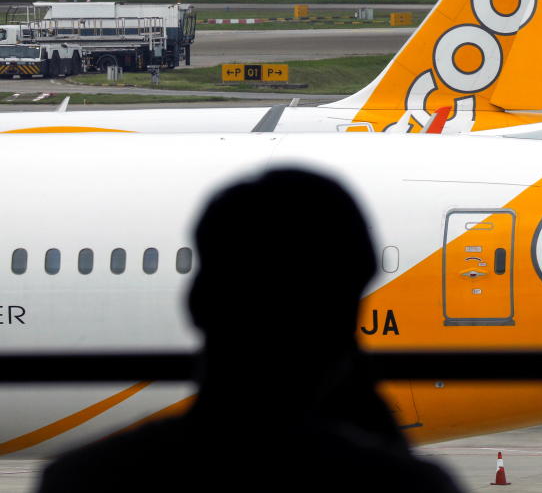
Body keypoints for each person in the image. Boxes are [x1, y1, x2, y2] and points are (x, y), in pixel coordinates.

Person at [40, 169, 462, 492]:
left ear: (197, 303)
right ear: (347, 322)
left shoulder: (84, 478)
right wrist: (379, 440)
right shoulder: (404, 484)